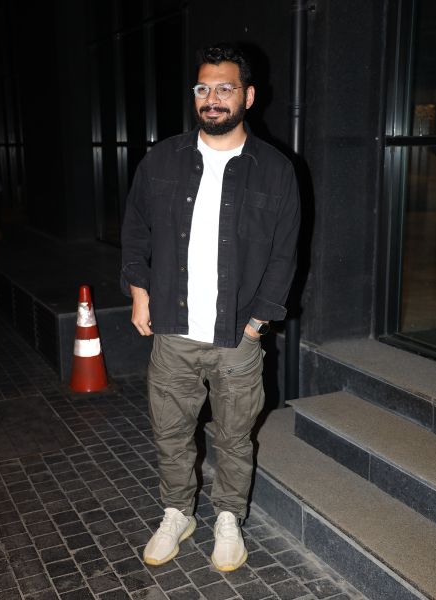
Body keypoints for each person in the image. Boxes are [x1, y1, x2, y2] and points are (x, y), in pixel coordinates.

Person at [119, 43, 300, 572]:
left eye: (224, 88)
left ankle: (227, 517)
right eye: (203, 88)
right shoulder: (163, 159)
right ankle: (177, 512)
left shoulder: (275, 170)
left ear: (248, 96)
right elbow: (135, 230)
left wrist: (257, 323)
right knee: (170, 433)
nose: (212, 98)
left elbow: (286, 255)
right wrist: (139, 291)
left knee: (234, 437)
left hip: (236, 335)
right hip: (173, 331)